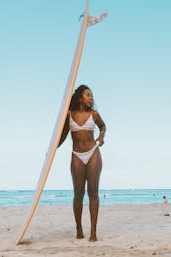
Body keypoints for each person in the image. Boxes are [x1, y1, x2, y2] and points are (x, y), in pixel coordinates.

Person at [59, 85, 106, 241]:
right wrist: (53, 149)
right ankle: (79, 229)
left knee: (93, 192)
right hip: (77, 156)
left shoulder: (94, 114)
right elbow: (63, 135)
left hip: (93, 154)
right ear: (80, 98)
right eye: (88, 95)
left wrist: (101, 137)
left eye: (91, 95)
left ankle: (93, 233)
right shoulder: (69, 115)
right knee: (78, 194)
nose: (91, 98)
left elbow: (103, 126)